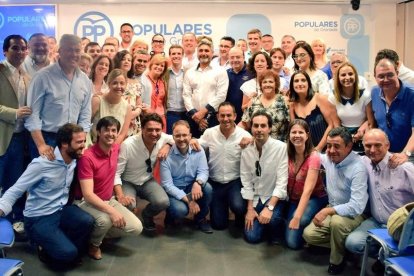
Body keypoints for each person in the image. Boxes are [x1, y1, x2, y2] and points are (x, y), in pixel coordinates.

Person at [0, 123, 94, 266]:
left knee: (87, 221)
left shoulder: (73, 159)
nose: (84, 146)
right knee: (68, 253)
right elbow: (15, 190)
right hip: (38, 217)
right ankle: (42, 245)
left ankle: (59, 242)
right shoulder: (41, 165)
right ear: (64, 144)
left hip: (59, 209)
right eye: (79, 142)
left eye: (84, 141)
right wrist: (1, 208)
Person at [75, 116, 142, 260]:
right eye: (106, 130)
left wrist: (169, 142)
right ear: (98, 132)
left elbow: (124, 133)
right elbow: (87, 195)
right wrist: (112, 211)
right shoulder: (87, 157)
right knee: (105, 220)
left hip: (108, 199)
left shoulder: (115, 148)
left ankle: (96, 233)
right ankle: (93, 245)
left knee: (136, 227)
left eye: (114, 131)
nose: (111, 134)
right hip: (85, 202)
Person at [303, 127, 368, 275]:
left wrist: (328, 210)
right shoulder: (329, 158)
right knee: (309, 235)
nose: (331, 150)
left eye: (336, 146)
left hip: (355, 214)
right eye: (329, 145)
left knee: (337, 222)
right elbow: (311, 153)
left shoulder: (358, 168)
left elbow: (357, 206)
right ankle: (344, 247)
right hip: (333, 208)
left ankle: (337, 261)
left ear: (349, 146)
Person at [345, 129, 414, 267]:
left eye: (378, 145)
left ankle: (389, 257)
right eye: (368, 146)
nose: (372, 150)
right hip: (377, 222)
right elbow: (340, 154)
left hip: (402, 226)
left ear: (387, 145)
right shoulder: (363, 163)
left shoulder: (404, 167)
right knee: (352, 243)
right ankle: (384, 256)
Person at [25, 34, 92, 160]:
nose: (73, 54)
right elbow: (32, 114)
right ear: (60, 51)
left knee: (69, 179)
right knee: (46, 179)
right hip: (47, 140)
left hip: (73, 140)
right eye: (69, 50)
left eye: (77, 50)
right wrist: (41, 145)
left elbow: (85, 115)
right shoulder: (42, 77)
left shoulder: (85, 80)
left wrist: (80, 142)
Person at [114, 113, 172, 232]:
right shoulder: (128, 145)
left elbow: (175, 139)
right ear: (142, 129)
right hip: (127, 181)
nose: (154, 133)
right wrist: (120, 196)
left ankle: (147, 215)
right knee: (128, 205)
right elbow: (116, 173)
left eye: (158, 130)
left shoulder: (163, 138)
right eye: (150, 130)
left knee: (163, 202)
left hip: (147, 180)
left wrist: (167, 145)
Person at [198, 102, 251, 230]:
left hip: (234, 181)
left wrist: (253, 140)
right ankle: (222, 206)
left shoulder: (244, 135)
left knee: (238, 207)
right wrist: (192, 140)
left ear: (235, 116)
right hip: (215, 182)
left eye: (229, 115)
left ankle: (238, 213)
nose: (226, 119)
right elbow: (197, 144)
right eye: (222, 115)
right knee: (219, 225)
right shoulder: (209, 133)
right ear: (217, 117)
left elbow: (260, 148)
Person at [241, 110, 287, 244]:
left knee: (273, 221)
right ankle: (263, 222)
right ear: (251, 128)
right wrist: (250, 209)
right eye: (256, 126)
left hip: (274, 198)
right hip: (256, 198)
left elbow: (282, 182)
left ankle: (276, 223)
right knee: (252, 237)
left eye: (263, 126)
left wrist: (270, 208)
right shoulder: (247, 149)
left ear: (270, 128)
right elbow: (246, 181)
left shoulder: (281, 148)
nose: (259, 129)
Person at [0, 34, 31, 234]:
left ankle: (16, 218)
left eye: (22, 48)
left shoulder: (26, 76)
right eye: (15, 48)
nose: (20, 52)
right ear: (5, 51)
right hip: (2, 136)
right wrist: (14, 113)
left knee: (16, 181)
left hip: (21, 138)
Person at [160, 120, 213, 233]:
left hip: (191, 186)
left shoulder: (198, 150)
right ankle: (170, 216)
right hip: (175, 190)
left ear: (190, 136)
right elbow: (167, 185)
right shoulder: (166, 155)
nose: (181, 138)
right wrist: (190, 201)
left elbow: (204, 171)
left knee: (207, 188)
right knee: (180, 210)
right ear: (172, 137)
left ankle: (200, 219)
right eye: (177, 135)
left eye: (184, 135)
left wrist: (198, 183)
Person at [284, 119, 328, 249]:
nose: (297, 135)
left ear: (307, 135)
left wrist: (297, 217)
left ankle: (309, 224)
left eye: (300, 132)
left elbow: (308, 190)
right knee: (291, 242)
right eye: (293, 132)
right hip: (293, 198)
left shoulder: (314, 157)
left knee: (299, 224)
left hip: (314, 197)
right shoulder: (286, 153)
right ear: (289, 135)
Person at [370, 57, 414, 166]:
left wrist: (405, 154)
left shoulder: (411, 95)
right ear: (375, 77)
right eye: (381, 76)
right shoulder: (374, 92)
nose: (385, 79)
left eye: (390, 75)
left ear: (397, 73)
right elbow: (377, 118)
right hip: (385, 153)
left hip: (409, 152)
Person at [182, 38, 229, 138]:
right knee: (192, 147)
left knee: (212, 148)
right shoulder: (189, 72)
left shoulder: (220, 71)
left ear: (212, 53)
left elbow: (221, 95)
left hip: (212, 118)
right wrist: (197, 117)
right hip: (193, 117)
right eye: (201, 51)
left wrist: (203, 112)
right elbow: (186, 95)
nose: (204, 53)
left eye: (207, 51)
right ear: (197, 53)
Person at [328, 62, 374, 152]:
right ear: (338, 78)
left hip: (363, 135)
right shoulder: (332, 97)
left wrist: (363, 132)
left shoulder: (366, 95)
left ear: (355, 76)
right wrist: (344, 138)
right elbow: (336, 124)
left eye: (350, 74)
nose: (347, 78)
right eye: (343, 75)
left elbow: (371, 122)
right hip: (343, 136)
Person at [289, 70, 339, 152]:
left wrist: (318, 148)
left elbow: (331, 125)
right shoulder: (292, 105)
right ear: (292, 85)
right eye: (296, 81)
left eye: (303, 80)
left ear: (308, 83)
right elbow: (295, 131)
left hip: (326, 150)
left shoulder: (319, 98)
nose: (300, 83)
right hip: (304, 152)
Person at [241, 70, 289, 141]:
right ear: (261, 85)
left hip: (279, 146)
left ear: (276, 84)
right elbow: (246, 124)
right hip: (257, 145)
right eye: (264, 82)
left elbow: (291, 124)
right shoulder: (253, 101)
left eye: (271, 82)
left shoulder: (284, 101)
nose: (267, 84)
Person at [91, 69, 132, 144]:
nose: (119, 86)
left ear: (126, 85)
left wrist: (110, 150)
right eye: (115, 83)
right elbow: (86, 125)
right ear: (109, 84)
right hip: (93, 146)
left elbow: (122, 134)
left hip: (113, 149)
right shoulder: (97, 101)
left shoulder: (128, 107)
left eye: (122, 83)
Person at [113, 50, 143, 135]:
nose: (127, 62)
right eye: (124, 59)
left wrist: (135, 113)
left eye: (129, 60)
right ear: (118, 61)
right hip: (118, 118)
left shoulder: (136, 82)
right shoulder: (112, 80)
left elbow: (139, 104)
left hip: (134, 121)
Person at [226, 47, 252, 123]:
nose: (235, 60)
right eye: (232, 57)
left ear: (243, 57)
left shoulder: (252, 72)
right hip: (229, 116)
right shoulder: (225, 74)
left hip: (246, 115)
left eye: (238, 57)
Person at [166, 45, 187, 134]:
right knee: (170, 139)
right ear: (170, 56)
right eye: (173, 53)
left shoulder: (189, 71)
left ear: (183, 55)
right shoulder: (165, 73)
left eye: (179, 53)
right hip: (170, 113)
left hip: (186, 113)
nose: (176, 56)